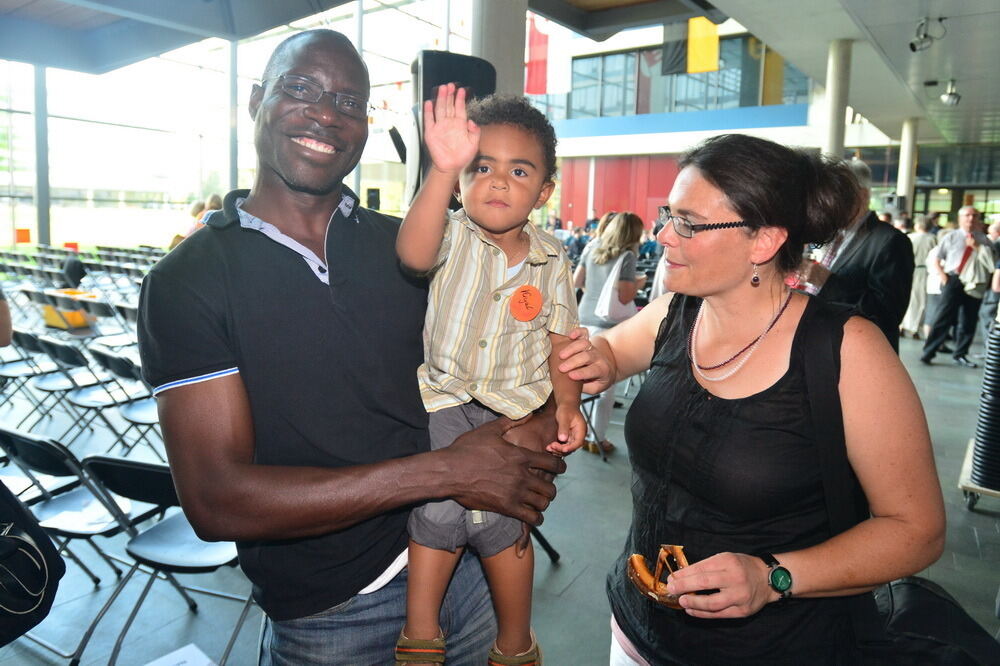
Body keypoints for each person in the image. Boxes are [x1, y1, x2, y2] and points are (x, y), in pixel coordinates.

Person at [137, 30, 567, 665]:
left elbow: (510, 355)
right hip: (332, 610)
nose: (325, 113)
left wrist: (534, 423)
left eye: (348, 101)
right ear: (256, 100)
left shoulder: (416, 248)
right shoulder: (189, 279)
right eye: (302, 88)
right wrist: (446, 471)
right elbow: (216, 499)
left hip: (469, 567)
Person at [558, 134, 944, 664]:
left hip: (774, 646)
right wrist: (594, 360)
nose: (664, 235)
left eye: (688, 222)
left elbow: (916, 531)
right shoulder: (676, 311)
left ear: (763, 242)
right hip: (636, 631)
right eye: (668, 214)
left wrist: (772, 577)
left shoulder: (847, 351)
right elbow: (609, 351)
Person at [395, 86, 583, 665]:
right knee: (438, 509)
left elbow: (562, 342)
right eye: (483, 167)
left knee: (509, 520)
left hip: (516, 410)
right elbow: (412, 254)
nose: (499, 181)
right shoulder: (451, 233)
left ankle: (515, 640)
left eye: (519, 170)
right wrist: (440, 171)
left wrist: (570, 407)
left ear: (544, 191)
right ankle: (421, 631)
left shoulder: (552, 260)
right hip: (445, 399)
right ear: (462, 179)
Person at [801, 159, 914, 352]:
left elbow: (886, 314)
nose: (828, 204)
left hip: (859, 354)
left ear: (862, 195)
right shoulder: (835, 234)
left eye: (835, 196)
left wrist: (827, 281)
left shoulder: (890, 241)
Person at [573, 211, 645, 455]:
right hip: (608, 327)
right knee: (604, 387)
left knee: (582, 381)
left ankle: (580, 432)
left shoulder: (591, 248)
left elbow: (577, 280)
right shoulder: (626, 258)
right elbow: (625, 296)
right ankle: (596, 438)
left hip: (584, 318)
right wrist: (641, 282)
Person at [921, 205, 994, 367]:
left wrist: (977, 247)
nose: (971, 219)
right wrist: (943, 277)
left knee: (968, 320)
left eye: (974, 215)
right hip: (953, 279)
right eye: (967, 215)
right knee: (943, 317)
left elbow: (991, 264)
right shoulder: (951, 236)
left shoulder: (984, 240)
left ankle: (960, 353)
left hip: (974, 283)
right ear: (960, 218)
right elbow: (937, 259)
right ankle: (929, 351)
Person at [900, 214, 938, 339]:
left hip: (908, 270)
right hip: (925, 272)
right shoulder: (933, 238)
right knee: (920, 301)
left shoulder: (909, 237)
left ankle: (902, 325)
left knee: (907, 298)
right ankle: (914, 328)